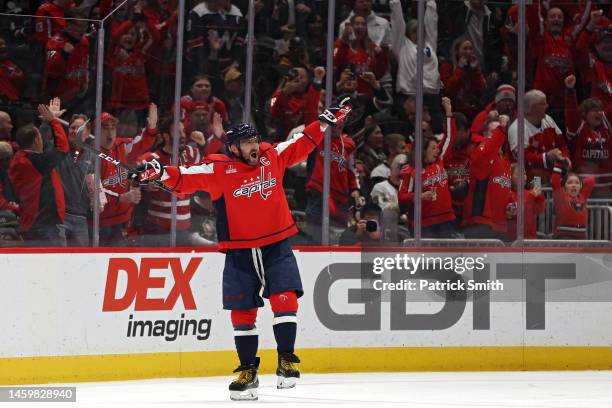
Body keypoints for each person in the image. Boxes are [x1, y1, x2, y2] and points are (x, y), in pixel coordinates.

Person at [136, 97, 353, 401]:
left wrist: (325, 122)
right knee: (242, 313)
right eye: (247, 142)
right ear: (234, 148)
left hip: (276, 244)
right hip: (239, 252)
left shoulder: (270, 156)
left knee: (285, 299)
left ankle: (286, 360)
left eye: (256, 139)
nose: (254, 145)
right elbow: (185, 178)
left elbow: (302, 143)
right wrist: (158, 173)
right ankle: (247, 370)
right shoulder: (219, 170)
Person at [9, 98, 69, 246]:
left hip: (34, 223)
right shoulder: (37, 162)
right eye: (40, 138)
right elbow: (63, 148)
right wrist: (54, 121)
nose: (43, 140)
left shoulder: (23, 159)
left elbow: (41, 141)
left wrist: (47, 121)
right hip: (45, 226)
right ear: (37, 141)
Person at [564, 74, 612, 197]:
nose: (599, 113)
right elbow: (572, 113)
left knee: (605, 216)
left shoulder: (606, 127)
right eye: (594, 110)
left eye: (600, 110)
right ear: (584, 114)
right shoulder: (579, 127)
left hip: (605, 188)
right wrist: (570, 91)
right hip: (583, 188)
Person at [551, 164, 595, 239]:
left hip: (581, 237)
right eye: (570, 183)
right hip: (564, 237)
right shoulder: (561, 196)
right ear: (564, 187)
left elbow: (592, 179)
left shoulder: (582, 196)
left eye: (576, 183)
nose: (574, 185)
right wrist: (558, 165)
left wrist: (578, 183)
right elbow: (555, 183)